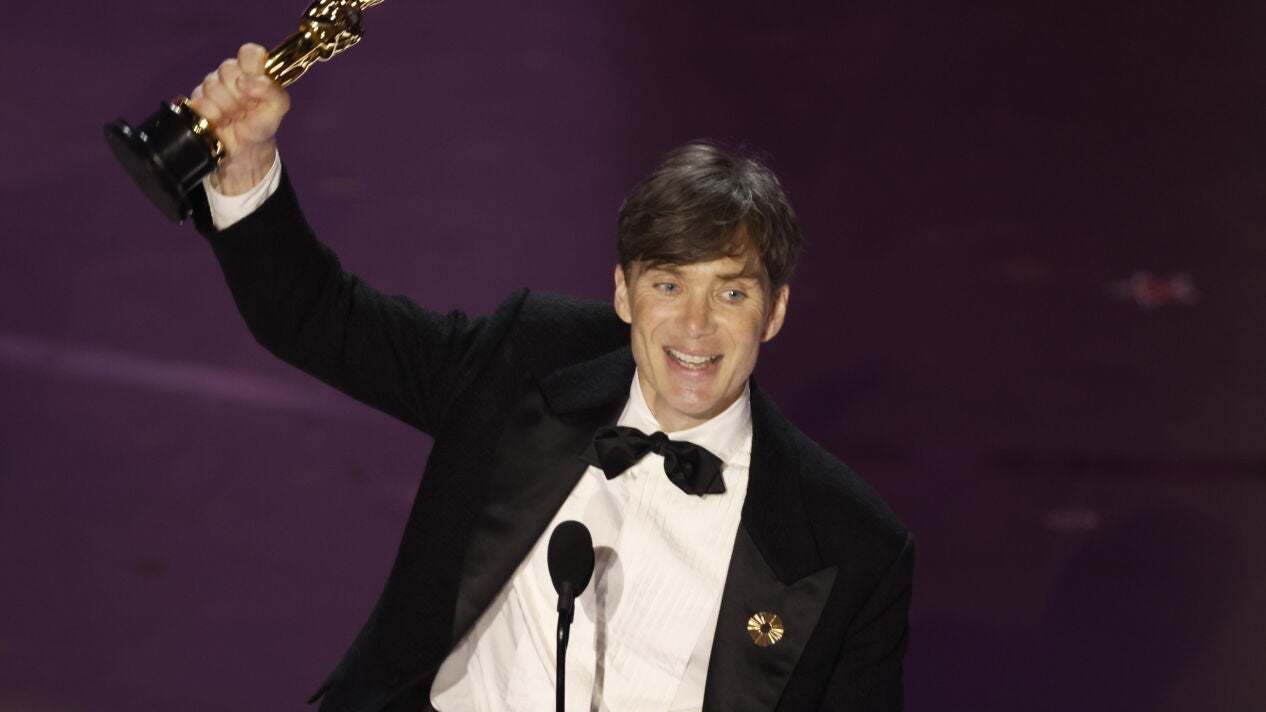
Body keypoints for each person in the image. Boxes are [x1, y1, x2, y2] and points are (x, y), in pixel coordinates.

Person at [187, 43, 913, 712]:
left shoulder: (851, 548)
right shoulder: (529, 362)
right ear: (624, 294)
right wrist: (245, 166)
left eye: (730, 293)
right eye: (668, 286)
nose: (695, 326)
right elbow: (321, 321)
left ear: (774, 311)